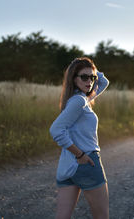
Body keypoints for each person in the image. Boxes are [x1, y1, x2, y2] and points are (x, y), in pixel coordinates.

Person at [50, 57, 109, 219]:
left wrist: (91, 69)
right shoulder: (79, 101)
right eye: (84, 77)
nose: (89, 81)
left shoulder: (82, 99)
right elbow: (56, 130)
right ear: (73, 78)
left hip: (67, 165)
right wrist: (80, 155)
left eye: (92, 77)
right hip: (86, 161)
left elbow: (104, 83)